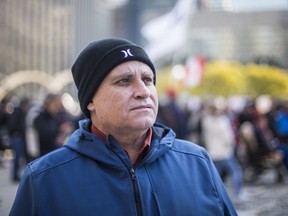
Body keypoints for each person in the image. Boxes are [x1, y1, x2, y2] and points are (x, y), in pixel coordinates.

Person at [10, 38, 237, 216]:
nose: (143, 91)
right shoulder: (43, 179)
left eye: (148, 80)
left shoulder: (197, 162)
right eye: (124, 81)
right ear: (90, 101)